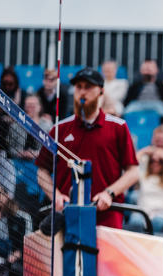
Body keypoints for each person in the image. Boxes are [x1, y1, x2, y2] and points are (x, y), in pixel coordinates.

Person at [35, 68, 140, 230]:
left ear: (101, 92)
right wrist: (55, 195)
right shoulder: (59, 129)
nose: (82, 92)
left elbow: (133, 172)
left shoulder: (118, 127)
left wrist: (109, 193)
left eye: (88, 87)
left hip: (107, 215)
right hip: (66, 215)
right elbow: (42, 171)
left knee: (106, 257)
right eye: (79, 87)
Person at [126, 148, 163, 232]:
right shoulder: (142, 176)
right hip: (143, 212)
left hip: (160, 213)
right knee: (135, 221)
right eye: (152, 161)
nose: (155, 164)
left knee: (158, 221)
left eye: (159, 161)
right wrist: (144, 151)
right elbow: (131, 167)